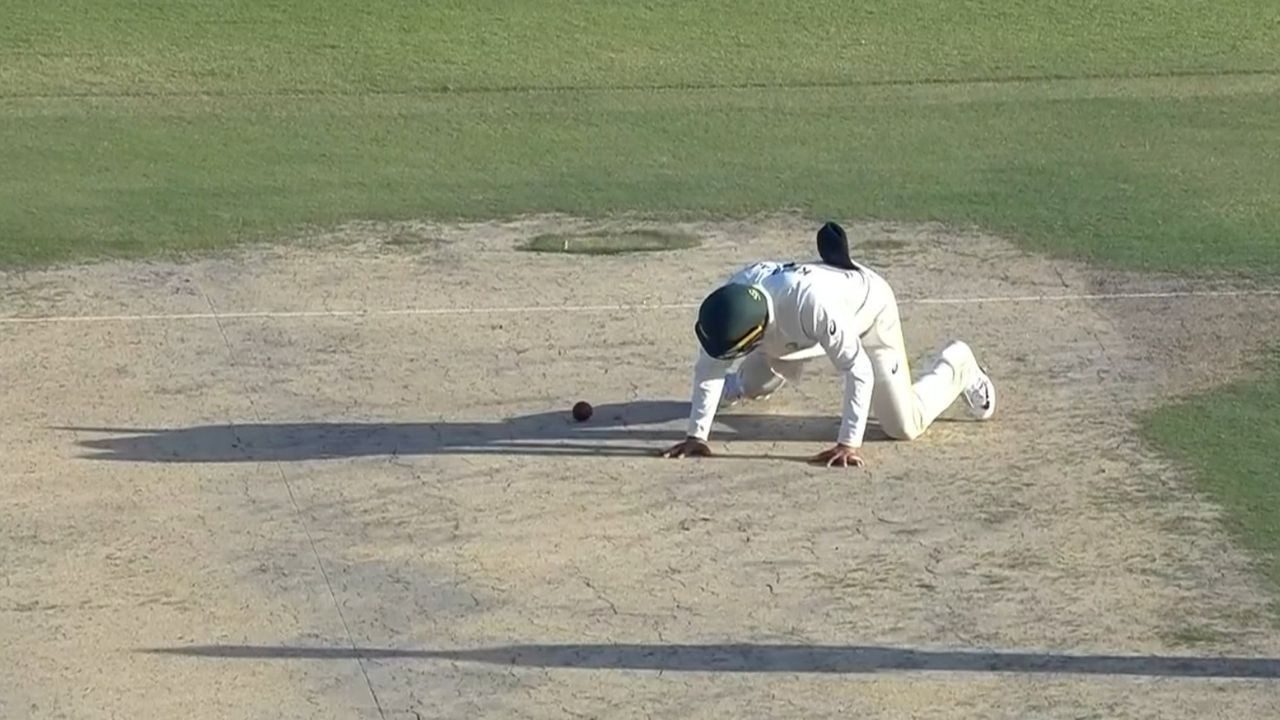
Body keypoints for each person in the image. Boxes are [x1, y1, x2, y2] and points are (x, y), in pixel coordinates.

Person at [661, 221, 995, 468]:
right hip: (790, 330)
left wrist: (848, 443)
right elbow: (709, 367)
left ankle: (959, 365)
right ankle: (739, 386)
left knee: (903, 426)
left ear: (754, 334)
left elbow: (858, 369)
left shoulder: (812, 307)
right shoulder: (735, 295)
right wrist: (696, 436)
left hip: (869, 316)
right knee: (754, 383)